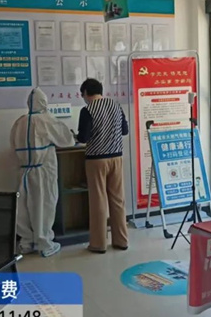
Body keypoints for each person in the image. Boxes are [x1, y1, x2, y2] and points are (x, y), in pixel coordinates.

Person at [10, 88, 75, 257]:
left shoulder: (19, 122)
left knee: (23, 209)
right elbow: (67, 140)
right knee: (43, 206)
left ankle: (26, 242)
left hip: (23, 170)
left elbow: (13, 144)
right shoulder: (46, 120)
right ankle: (44, 243)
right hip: (43, 170)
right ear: (44, 102)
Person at [77, 78, 129, 253]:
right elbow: (124, 131)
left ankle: (98, 244)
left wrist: (76, 136)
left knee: (98, 200)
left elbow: (83, 138)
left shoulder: (87, 110)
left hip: (96, 159)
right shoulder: (116, 105)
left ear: (86, 93)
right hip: (116, 157)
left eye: (82, 94)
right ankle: (121, 241)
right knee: (118, 200)